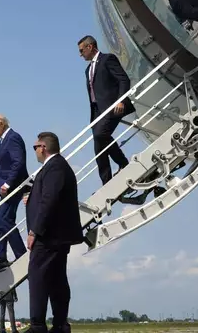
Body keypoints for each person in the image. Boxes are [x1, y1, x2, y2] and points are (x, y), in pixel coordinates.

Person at [26, 132, 85, 333]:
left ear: (43, 147)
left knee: (38, 278)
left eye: (35, 147)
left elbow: (49, 199)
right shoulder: (55, 167)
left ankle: (38, 325)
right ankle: (59, 325)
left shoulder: (55, 167)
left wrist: (34, 231)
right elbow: (48, 196)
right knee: (55, 279)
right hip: (55, 235)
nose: (34, 151)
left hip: (48, 236)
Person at [78, 35, 135, 186]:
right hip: (96, 111)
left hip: (112, 107)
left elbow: (123, 79)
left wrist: (121, 100)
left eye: (81, 50)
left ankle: (123, 163)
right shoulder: (88, 70)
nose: (80, 54)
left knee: (100, 135)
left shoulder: (108, 59)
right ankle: (107, 182)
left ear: (90, 47)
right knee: (99, 145)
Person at [0, 114, 28, 275]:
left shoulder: (13, 138)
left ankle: (21, 254)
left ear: (1, 123)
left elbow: (19, 162)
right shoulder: (4, 139)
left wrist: (8, 183)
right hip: (7, 188)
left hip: (13, 187)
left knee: (5, 221)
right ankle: (1, 257)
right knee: (0, 224)